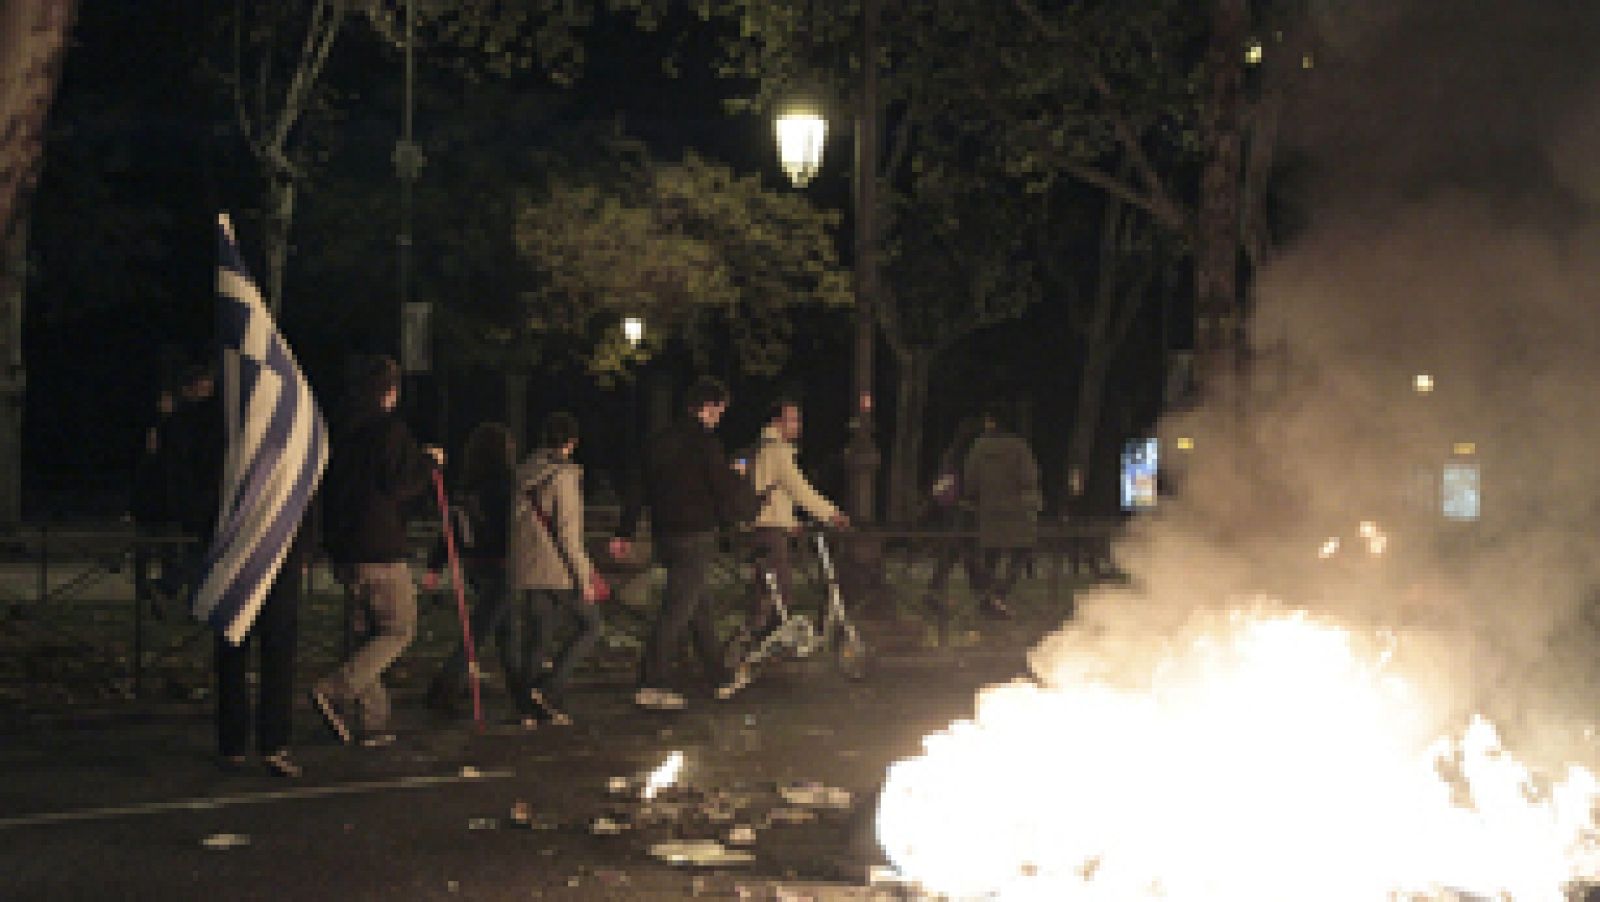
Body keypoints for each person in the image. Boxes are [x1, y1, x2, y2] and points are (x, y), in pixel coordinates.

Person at [313, 354, 443, 747]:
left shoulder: (340, 430)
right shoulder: (388, 431)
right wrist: (428, 463)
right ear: (389, 392)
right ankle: (336, 689)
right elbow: (399, 484)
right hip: (380, 546)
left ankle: (372, 722)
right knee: (399, 629)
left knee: (366, 633)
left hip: (345, 546)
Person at [612, 376, 747, 711]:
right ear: (709, 406)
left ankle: (719, 676)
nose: (720, 417)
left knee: (698, 606)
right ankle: (651, 683)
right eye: (719, 410)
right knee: (676, 611)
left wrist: (624, 531)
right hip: (696, 534)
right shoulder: (706, 444)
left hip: (666, 535)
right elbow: (721, 490)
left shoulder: (659, 442)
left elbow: (637, 489)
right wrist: (739, 485)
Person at [724, 397, 848, 692]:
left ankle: (751, 650)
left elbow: (773, 493)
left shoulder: (762, 449)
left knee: (767, 593)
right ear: (777, 422)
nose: (798, 425)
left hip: (764, 529)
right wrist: (833, 514)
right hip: (769, 533)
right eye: (793, 419)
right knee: (780, 595)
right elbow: (799, 489)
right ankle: (753, 655)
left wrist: (789, 520)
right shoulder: (777, 452)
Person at [510, 411, 605, 727]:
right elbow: (567, 533)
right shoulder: (562, 477)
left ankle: (528, 707)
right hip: (558, 569)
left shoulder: (525, 472)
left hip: (529, 568)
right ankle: (550, 689)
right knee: (591, 625)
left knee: (538, 637)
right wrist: (584, 576)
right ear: (571, 442)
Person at [425, 422, 519, 719]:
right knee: (480, 629)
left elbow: (451, 526)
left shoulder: (469, 486)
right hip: (502, 564)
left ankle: (520, 686)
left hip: (475, 565)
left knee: (504, 627)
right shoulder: (505, 485)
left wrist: (435, 563)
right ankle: (446, 683)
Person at [216, 521, 311, 777]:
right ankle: (266, 744)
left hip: (247, 554)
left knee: (242, 652)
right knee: (269, 653)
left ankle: (240, 743)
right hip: (272, 553)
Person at [961, 408, 1042, 620]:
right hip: (1016, 511)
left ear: (992, 422)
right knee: (1021, 552)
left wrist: (977, 495)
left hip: (988, 510)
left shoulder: (979, 446)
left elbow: (970, 478)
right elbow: (1029, 478)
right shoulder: (1019, 447)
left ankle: (988, 599)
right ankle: (1000, 594)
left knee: (990, 556)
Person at [921, 415, 985, 619]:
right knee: (964, 553)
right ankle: (982, 598)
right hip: (964, 509)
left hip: (954, 508)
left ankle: (979, 597)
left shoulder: (953, 453)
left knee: (960, 553)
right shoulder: (969, 454)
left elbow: (943, 482)